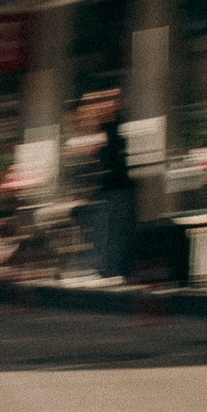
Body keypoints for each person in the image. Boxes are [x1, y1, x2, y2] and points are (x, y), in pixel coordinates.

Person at [63, 84, 134, 282]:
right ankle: (106, 268)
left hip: (116, 190)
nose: (93, 108)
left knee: (111, 230)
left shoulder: (116, 128)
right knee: (105, 229)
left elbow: (110, 161)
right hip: (109, 190)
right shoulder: (105, 129)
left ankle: (111, 269)